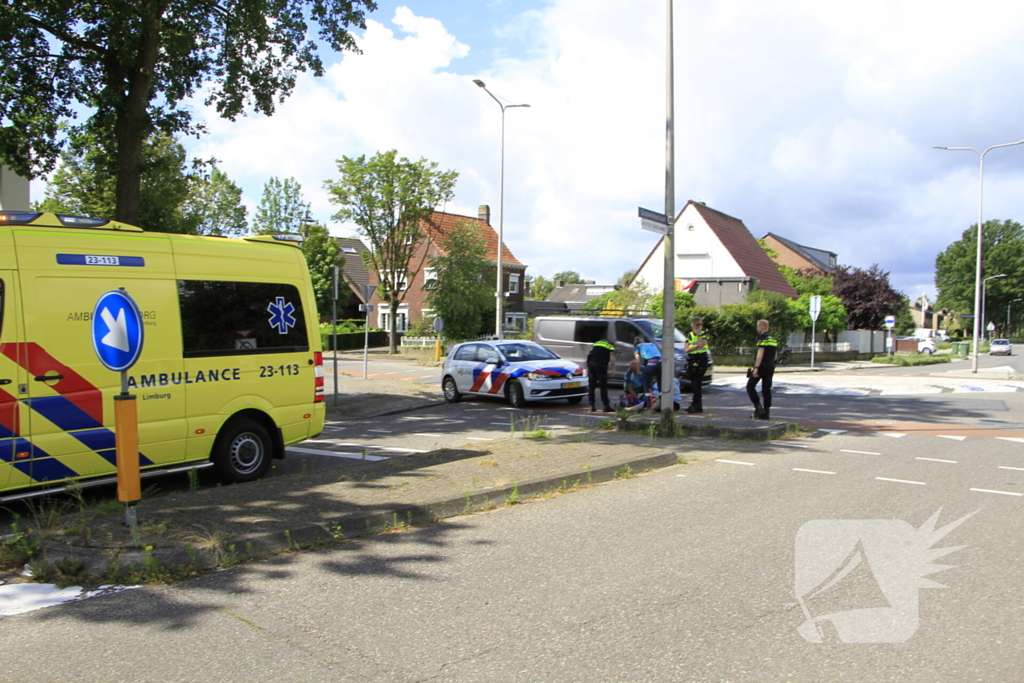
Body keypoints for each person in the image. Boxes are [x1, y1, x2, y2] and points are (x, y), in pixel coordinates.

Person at [747, 319, 778, 419]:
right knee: (766, 389)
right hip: (770, 366)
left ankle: (758, 408)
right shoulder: (773, 339)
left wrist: (756, 368)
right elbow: (775, 355)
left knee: (750, 386)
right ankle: (766, 412)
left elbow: (760, 354)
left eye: (757, 326)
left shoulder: (762, 338)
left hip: (762, 366)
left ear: (761, 327)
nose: (757, 328)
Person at [684, 316, 709, 414]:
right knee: (694, 384)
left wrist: (698, 335)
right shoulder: (689, 335)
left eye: (701, 324)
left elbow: (702, 344)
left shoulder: (704, 334)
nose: (700, 326)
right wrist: (696, 346)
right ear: (693, 325)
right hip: (692, 360)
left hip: (701, 359)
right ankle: (697, 405)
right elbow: (686, 349)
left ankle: (696, 405)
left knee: (697, 383)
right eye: (697, 324)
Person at [586, 338, 616, 412]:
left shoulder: (596, 343)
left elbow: (590, 354)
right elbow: (612, 358)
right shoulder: (610, 345)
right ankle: (606, 406)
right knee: (603, 386)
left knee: (591, 386)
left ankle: (591, 405)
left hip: (591, 365)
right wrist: (613, 370)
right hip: (600, 366)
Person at [633, 336, 662, 409]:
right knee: (661, 385)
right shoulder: (651, 344)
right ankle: (662, 403)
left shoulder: (637, 347)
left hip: (651, 362)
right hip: (661, 362)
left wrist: (638, 371)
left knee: (647, 385)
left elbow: (637, 361)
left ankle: (649, 406)